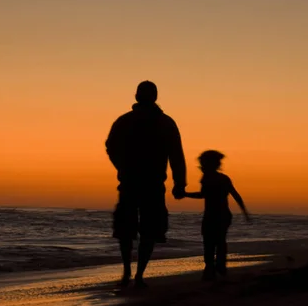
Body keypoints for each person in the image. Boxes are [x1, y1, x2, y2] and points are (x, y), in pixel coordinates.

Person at [106, 81, 186, 287]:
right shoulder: (166, 122)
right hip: (149, 183)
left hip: (133, 182)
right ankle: (138, 274)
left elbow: (110, 147)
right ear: (155, 97)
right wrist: (179, 184)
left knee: (128, 229)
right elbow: (176, 155)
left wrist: (121, 167)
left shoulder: (125, 121)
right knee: (147, 230)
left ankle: (128, 272)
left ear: (136, 96)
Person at [184, 150, 251, 280]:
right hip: (224, 215)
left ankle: (210, 268)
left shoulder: (207, 178)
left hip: (212, 215)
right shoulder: (224, 178)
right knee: (220, 241)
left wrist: (185, 194)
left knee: (209, 242)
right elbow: (236, 195)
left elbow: (203, 195)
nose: (201, 167)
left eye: (202, 164)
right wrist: (245, 212)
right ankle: (220, 267)